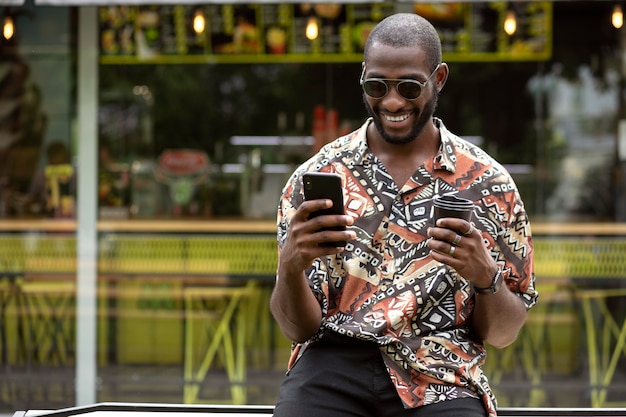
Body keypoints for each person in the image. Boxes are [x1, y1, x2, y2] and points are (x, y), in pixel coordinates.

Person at [270, 12, 538, 417]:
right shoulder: (319, 175)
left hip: (441, 373)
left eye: (409, 86)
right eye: (376, 85)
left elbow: (503, 334)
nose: (392, 101)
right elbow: (296, 329)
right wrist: (290, 268)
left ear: (440, 78)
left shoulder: (489, 184)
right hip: (333, 361)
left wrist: (485, 278)